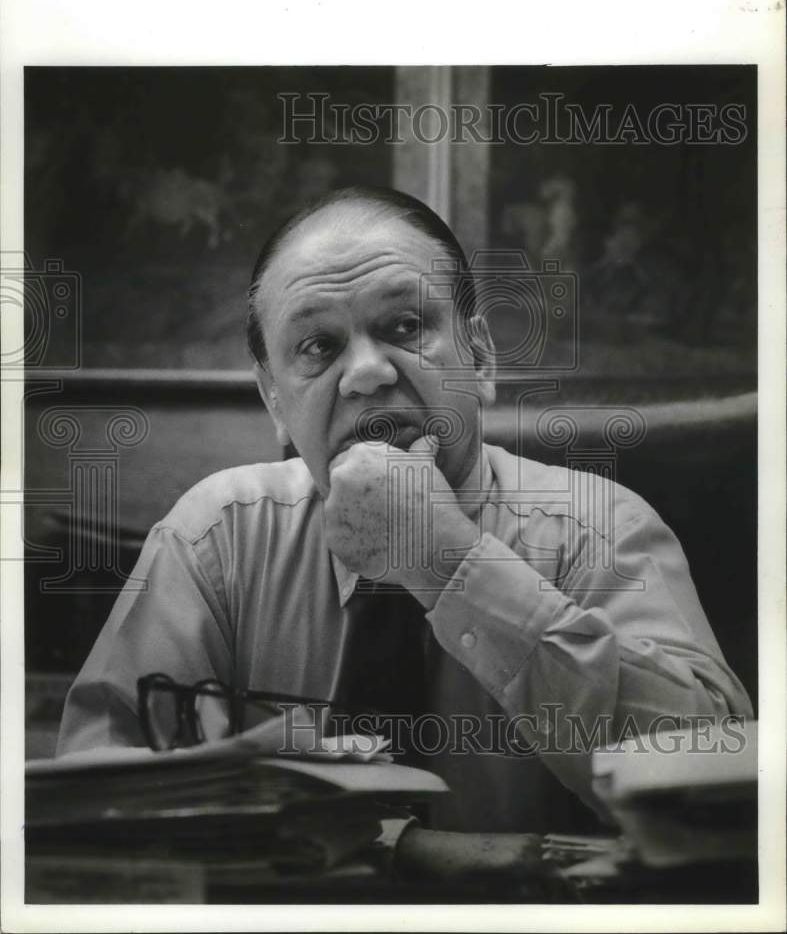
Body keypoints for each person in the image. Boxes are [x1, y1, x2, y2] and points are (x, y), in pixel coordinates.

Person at [57, 186, 752, 834]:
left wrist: (446, 562)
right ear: (274, 401)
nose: (366, 373)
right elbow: (95, 808)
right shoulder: (214, 539)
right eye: (318, 346)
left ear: (480, 359)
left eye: (405, 325)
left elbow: (710, 794)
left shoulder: (601, 530)